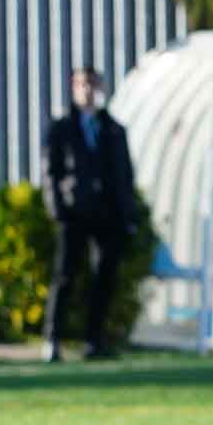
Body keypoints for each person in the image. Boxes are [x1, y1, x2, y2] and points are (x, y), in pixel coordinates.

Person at [41, 66, 137, 361]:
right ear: (73, 87)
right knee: (65, 276)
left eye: (92, 85)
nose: (87, 90)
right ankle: (53, 340)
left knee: (104, 278)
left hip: (107, 214)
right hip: (75, 213)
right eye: (82, 84)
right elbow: (51, 173)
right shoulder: (61, 128)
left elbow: (125, 175)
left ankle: (94, 341)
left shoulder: (113, 128)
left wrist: (128, 215)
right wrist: (58, 209)